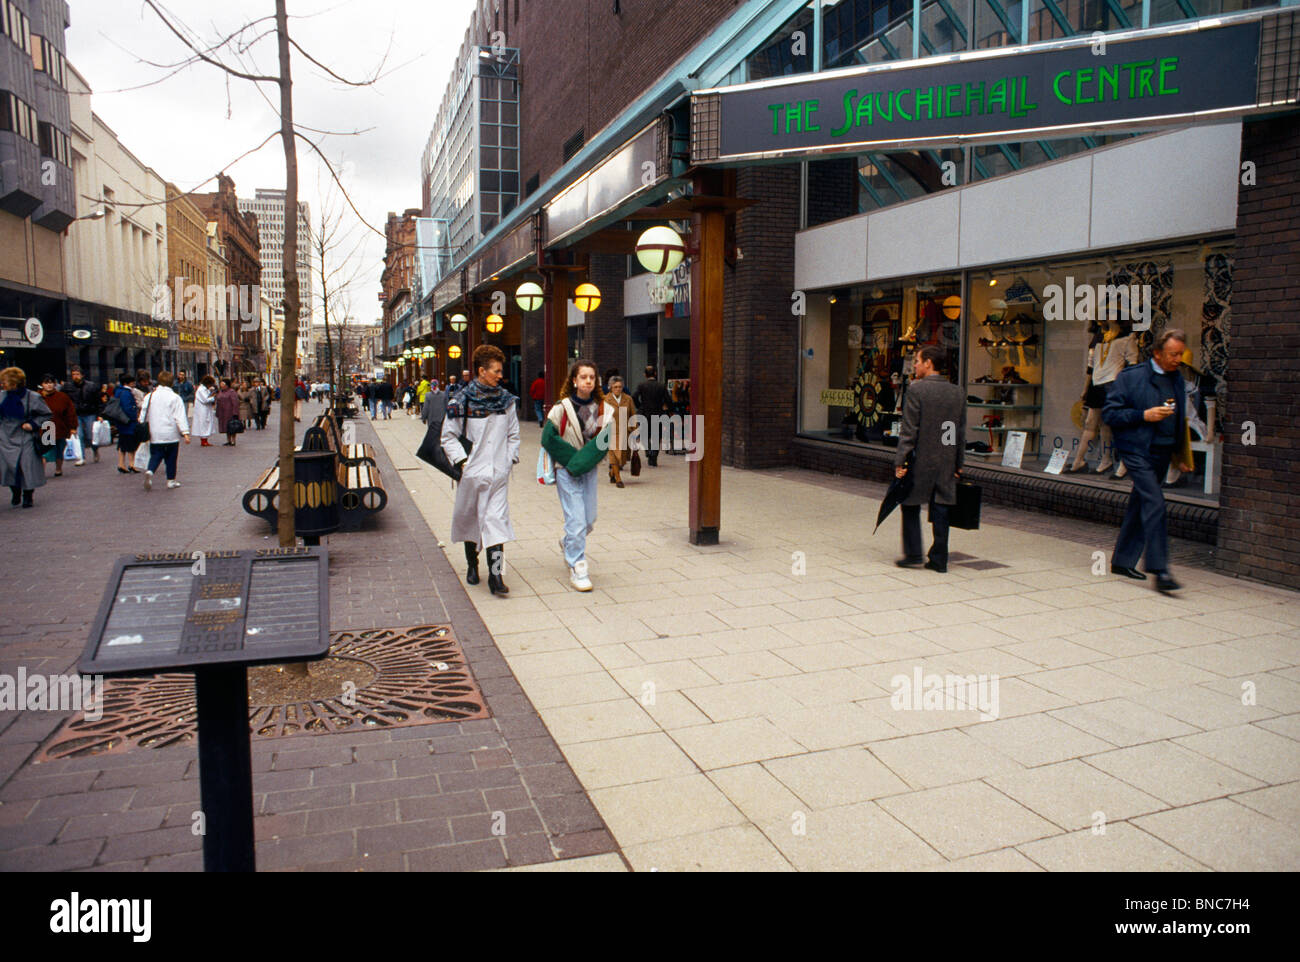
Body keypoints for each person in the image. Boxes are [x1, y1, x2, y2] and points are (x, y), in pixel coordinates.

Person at [1103, 328, 1195, 593]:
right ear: (1157, 353)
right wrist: (1143, 415)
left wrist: (1181, 455)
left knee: (1141, 501)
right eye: (1172, 354)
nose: (1177, 359)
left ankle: (1122, 561)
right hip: (1136, 450)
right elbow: (1111, 414)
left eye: (1180, 354)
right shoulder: (1131, 377)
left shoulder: (1177, 379)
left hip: (1163, 451)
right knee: (1155, 501)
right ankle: (1160, 569)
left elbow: (1179, 419)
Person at [441, 344, 519, 597]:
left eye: (501, 371)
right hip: (472, 475)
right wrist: (463, 463)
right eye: (496, 371)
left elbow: (513, 435)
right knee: (471, 521)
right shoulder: (460, 401)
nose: (500, 376)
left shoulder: (507, 402)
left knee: (496, 524)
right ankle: (472, 565)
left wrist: (508, 461)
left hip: (498, 475)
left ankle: (496, 576)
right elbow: (448, 436)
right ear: (481, 370)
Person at [893, 346, 965, 573]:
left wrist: (901, 461)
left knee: (910, 503)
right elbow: (955, 431)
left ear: (929, 363)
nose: (914, 365)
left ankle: (914, 553)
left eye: (917, 361)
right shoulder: (957, 392)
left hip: (921, 459)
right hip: (945, 457)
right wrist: (957, 463)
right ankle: (939, 558)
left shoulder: (917, 390)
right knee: (942, 504)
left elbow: (909, 430)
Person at [541, 359, 612, 592]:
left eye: (592, 377)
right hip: (565, 470)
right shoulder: (560, 408)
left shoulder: (605, 409)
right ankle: (577, 565)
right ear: (574, 380)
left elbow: (603, 442)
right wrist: (573, 463)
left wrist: (580, 463)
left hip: (588, 470)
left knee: (589, 519)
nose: (588, 381)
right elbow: (549, 439)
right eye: (583, 377)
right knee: (576, 520)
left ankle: (568, 542)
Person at [1, 367, 53, 507]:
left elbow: (47, 414)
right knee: (9, 467)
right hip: (5, 437)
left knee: (27, 466)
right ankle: (15, 490)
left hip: (25, 436)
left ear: (14, 382)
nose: (2, 384)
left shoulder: (32, 397)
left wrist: (33, 424)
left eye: (4, 381)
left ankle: (28, 494)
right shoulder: (2, 396)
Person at [139, 371, 191, 490]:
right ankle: (170, 480)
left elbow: (143, 413)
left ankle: (150, 471)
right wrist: (185, 432)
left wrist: (142, 423)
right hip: (170, 431)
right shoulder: (175, 397)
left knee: (156, 454)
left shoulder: (150, 396)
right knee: (171, 457)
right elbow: (180, 416)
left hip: (154, 431)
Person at [37, 374, 77, 477]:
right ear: (42, 384)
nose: (49, 385)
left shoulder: (62, 397)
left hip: (60, 427)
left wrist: (73, 427)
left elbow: (70, 412)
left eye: (51, 382)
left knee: (59, 449)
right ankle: (41, 472)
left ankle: (58, 469)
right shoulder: (37, 397)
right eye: (46, 383)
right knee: (45, 451)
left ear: (55, 384)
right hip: (46, 427)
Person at [64, 366, 102, 465]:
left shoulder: (91, 386)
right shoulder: (68, 387)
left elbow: (98, 401)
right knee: (79, 435)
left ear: (82, 375)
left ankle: (95, 450)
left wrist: (100, 414)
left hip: (90, 412)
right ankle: (82, 457)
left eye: (77, 374)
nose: (75, 377)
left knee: (91, 435)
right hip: (76, 414)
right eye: (73, 375)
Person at [632, 365, 669, 466]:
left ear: (645, 375)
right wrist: (667, 409)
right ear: (655, 374)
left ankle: (648, 451)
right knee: (656, 436)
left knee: (644, 435)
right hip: (658, 413)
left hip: (644, 413)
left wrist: (640, 406)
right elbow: (668, 400)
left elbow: (634, 397)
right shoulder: (661, 386)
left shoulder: (641, 385)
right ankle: (654, 457)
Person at [604, 376, 637, 488]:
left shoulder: (628, 399)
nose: (618, 389)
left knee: (622, 458)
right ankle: (618, 479)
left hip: (624, 432)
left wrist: (635, 431)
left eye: (620, 387)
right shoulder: (605, 400)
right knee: (614, 456)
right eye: (615, 387)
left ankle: (612, 473)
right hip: (611, 432)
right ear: (611, 388)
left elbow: (633, 415)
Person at [112, 374, 142, 473]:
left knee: (122, 443)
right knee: (131, 444)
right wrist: (135, 417)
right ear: (127, 383)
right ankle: (132, 464)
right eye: (132, 382)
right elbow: (128, 408)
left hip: (121, 421)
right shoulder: (126, 393)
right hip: (128, 422)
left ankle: (121, 464)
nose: (134, 383)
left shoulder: (118, 391)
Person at [194, 375, 217, 446]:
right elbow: (205, 399)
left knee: (206, 423)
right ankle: (203, 440)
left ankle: (205, 439)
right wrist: (213, 397)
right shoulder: (201, 390)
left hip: (206, 409)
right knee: (203, 423)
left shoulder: (205, 389)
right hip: (202, 410)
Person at [216, 378, 241, 446]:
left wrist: (235, 412)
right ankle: (228, 440)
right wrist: (217, 412)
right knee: (226, 427)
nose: (221, 385)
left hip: (229, 412)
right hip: (222, 413)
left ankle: (233, 440)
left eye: (223, 384)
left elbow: (235, 402)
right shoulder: (220, 392)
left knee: (232, 427)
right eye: (221, 384)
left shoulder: (232, 392)